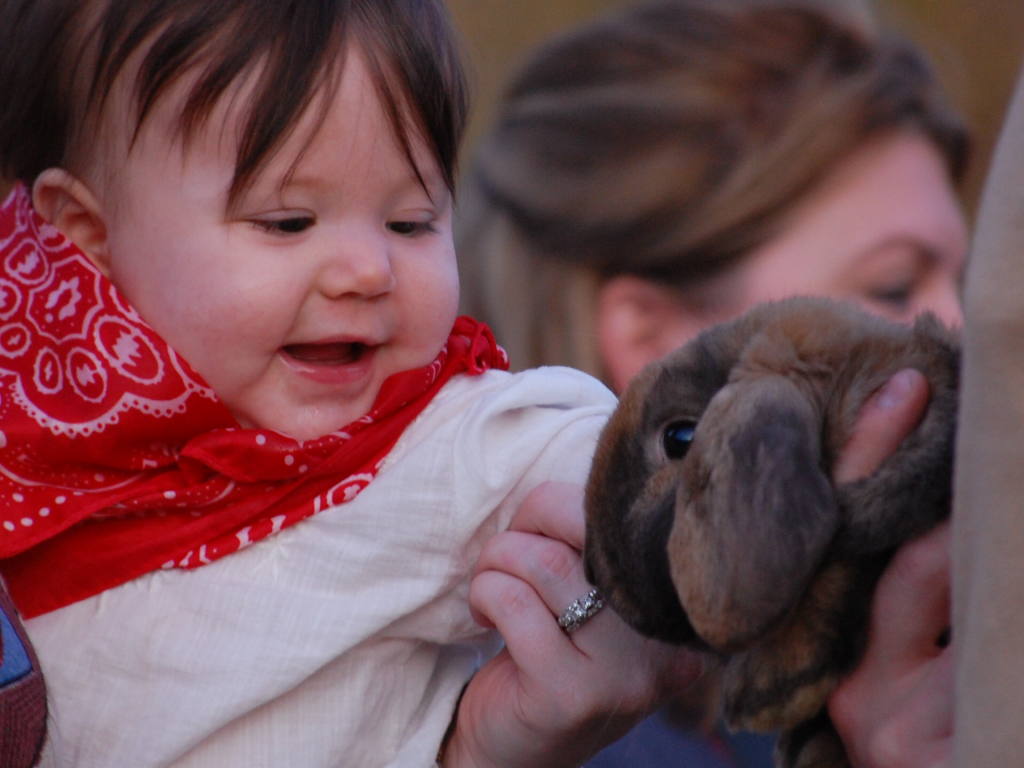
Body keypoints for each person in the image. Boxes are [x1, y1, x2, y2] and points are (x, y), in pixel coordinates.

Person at [0, 1, 704, 765]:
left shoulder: (424, 442)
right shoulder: (32, 458)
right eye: (288, 222)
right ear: (87, 236)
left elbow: (587, 456)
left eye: (411, 223)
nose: (370, 271)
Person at [455, 0, 968, 765]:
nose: (959, 331)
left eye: (966, 284)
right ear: (653, 341)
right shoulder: (516, 731)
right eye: (894, 285)